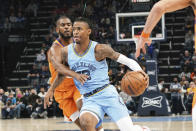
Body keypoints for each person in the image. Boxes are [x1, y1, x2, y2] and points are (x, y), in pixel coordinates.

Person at [47, 17, 150, 131]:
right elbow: (62, 74)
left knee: (128, 129)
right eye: (74, 29)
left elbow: (125, 60)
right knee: (85, 121)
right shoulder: (66, 51)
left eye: (79, 29)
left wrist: (139, 71)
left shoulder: (99, 49)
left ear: (88, 32)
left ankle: (142, 129)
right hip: (89, 99)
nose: (75, 32)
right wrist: (51, 90)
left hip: (107, 95)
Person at [44, 16, 103, 131]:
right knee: (84, 126)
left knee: (85, 108)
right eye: (63, 25)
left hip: (77, 86)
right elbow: (61, 71)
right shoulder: (55, 49)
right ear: (57, 29)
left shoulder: (79, 44)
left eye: (69, 25)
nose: (66, 27)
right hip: (60, 91)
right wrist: (50, 90)